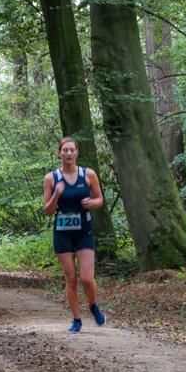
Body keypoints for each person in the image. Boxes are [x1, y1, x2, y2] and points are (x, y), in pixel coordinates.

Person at [42, 137, 107, 333]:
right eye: (65, 150)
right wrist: (56, 194)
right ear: (59, 153)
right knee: (71, 278)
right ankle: (76, 320)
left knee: (87, 278)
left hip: (83, 232)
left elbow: (100, 199)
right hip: (62, 234)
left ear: (77, 153)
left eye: (72, 150)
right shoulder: (51, 178)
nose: (68, 154)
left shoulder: (88, 175)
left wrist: (92, 203)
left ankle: (93, 305)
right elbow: (47, 211)